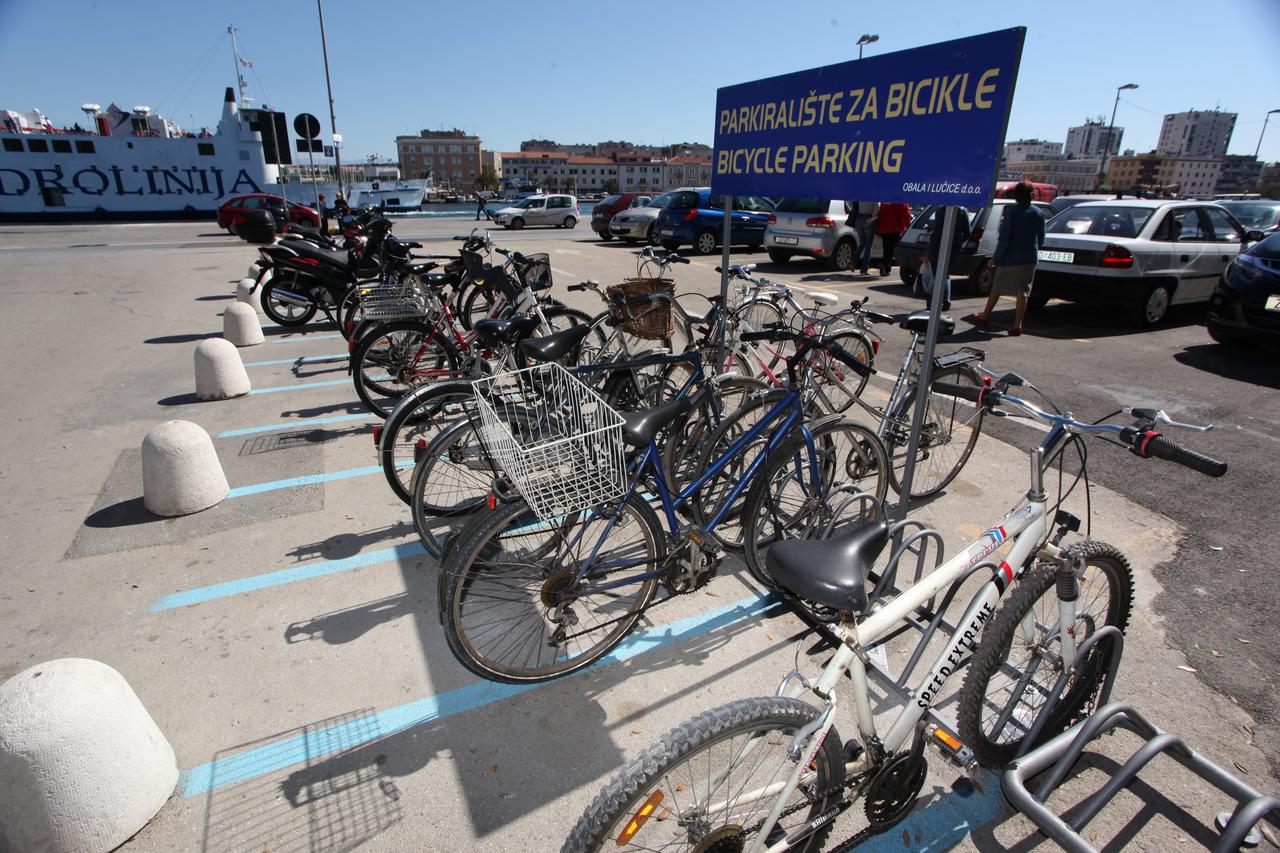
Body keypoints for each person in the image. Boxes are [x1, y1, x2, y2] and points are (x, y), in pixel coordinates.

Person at [970, 180, 1045, 336]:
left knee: (997, 288)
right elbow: (1041, 238)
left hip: (1009, 258)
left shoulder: (1012, 212)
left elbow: (1005, 238)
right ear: (1032, 195)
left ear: (1016, 195)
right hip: (1029, 258)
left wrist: (995, 258)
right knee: (1023, 292)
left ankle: (985, 316)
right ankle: (1018, 324)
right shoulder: (1038, 213)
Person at [919, 206, 970, 312]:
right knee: (945, 273)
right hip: (954, 247)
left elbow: (936, 234)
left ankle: (931, 305)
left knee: (934, 274)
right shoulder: (962, 210)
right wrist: (958, 242)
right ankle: (946, 298)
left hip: (939, 247)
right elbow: (967, 233)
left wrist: (928, 253)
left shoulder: (942, 210)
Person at [876, 202, 912, 276]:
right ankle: (886, 267)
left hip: (884, 228)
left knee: (886, 249)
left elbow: (880, 214)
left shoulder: (885, 201)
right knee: (892, 249)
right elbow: (906, 215)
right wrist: (907, 227)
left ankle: (885, 265)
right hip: (895, 229)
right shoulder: (902, 202)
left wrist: (878, 229)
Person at [853, 200, 880, 274]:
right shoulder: (874, 195)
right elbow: (877, 206)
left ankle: (852, 262)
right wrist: (873, 217)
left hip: (858, 219)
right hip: (868, 219)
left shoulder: (861, 195)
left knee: (862, 243)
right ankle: (864, 269)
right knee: (868, 246)